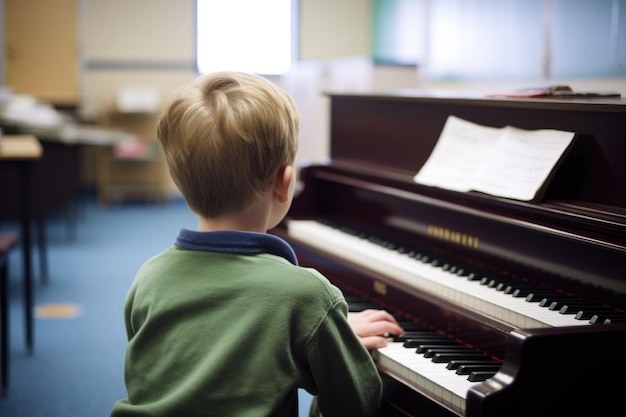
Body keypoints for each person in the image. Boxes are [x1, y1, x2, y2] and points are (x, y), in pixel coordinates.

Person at [110, 71, 403, 417]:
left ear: (179, 181)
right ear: (285, 183)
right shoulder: (307, 295)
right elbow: (356, 405)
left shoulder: (149, 278)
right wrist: (337, 340)